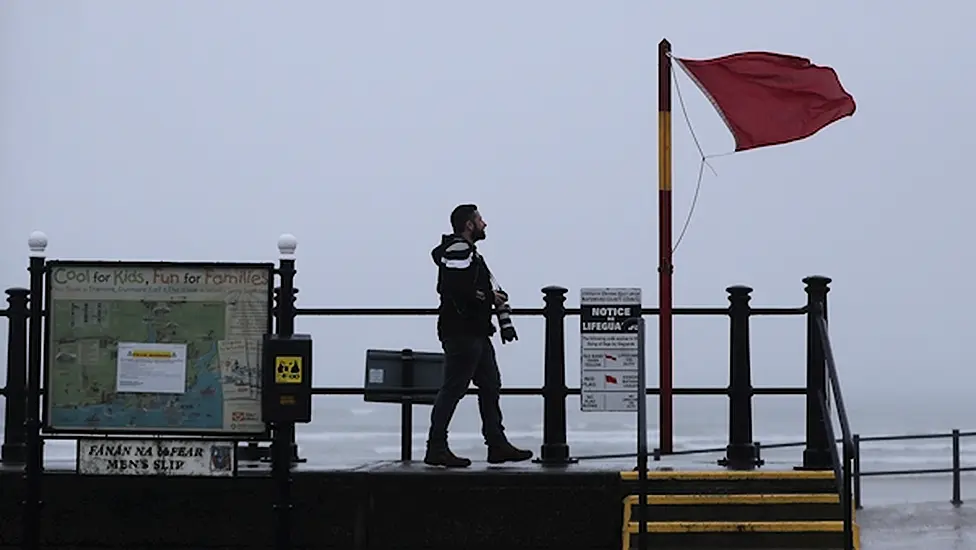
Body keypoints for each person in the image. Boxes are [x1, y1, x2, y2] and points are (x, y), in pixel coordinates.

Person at [425, 204, 534, 467]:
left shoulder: (465, 253)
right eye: (480, 219)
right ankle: (437, 447)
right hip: (462, 331)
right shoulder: (459, 250)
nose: (485, 224)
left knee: (490, 384)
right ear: (469, 225)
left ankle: (496, 444)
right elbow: (454, 288)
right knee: (454, 388)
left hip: (474, 331)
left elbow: (465, 287)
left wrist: (488, 296)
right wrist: (488, 298)